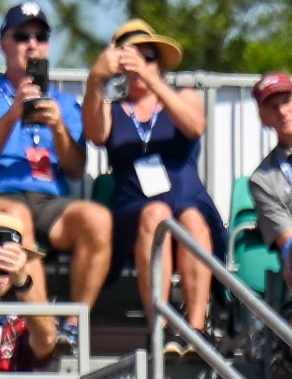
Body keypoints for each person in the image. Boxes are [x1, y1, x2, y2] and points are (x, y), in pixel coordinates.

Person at [0, 2, 114, 310]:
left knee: (99, 219)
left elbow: (76, 169)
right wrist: (14, 113)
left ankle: (72, 328)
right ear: (4, 44)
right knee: (18, 216)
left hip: (49, 202)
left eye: (41, 37)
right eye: (22, 36)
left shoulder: (65, 104)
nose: (32, 44)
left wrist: (58, 129)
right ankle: (42, 326)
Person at [83, 21, 218, 335]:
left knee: (194, 220)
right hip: (136, 201)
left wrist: (152, 81)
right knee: (156, 214)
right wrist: (96, 80)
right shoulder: (113, 108)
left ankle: (196, 327)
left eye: (149, 57)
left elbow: (195, 126)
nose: (140, 64)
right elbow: (94, 133)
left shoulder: (183, 97)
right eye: (132, 58)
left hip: (185, 193)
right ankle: (161, 326)